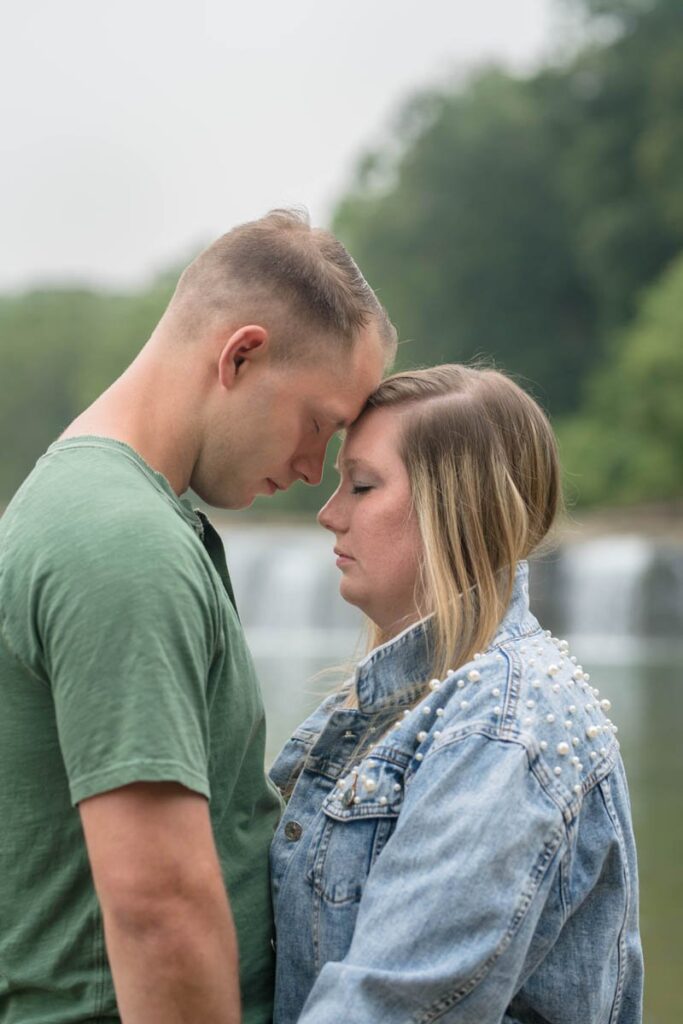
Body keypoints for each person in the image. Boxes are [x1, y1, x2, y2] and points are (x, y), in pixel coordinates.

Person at [0, 209, 395, 1024]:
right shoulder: (119, 544)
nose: (310, 469)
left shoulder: (120, 516)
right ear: (241, 356)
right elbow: (159, 907)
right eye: (316, 423)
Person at [270, 365, 643, 1024]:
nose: (330, 515)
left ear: (456, 507)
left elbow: (390, 1005)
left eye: (360, 485)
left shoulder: (504, 727)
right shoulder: (398, 704)